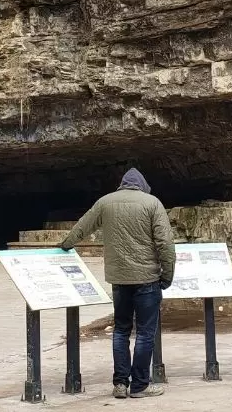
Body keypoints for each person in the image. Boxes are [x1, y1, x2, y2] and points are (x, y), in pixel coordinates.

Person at [59, 167, 175, 399]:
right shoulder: (152, 203)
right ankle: (140, 385)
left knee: (121, 330)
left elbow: (82, 226)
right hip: (147, 279)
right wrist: (167, 275)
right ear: (142, 185)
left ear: (122, 184)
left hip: (119, 280)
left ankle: (120, 383)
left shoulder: (105, 202)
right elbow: (166, 243)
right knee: (144, 333)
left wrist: (64, 245)